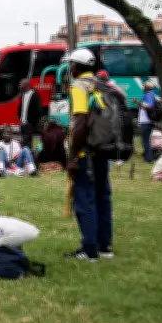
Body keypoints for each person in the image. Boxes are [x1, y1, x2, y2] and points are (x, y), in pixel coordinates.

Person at [66, 48, 113, 262]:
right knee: (103, 198)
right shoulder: (103, 85)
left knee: (85, 200)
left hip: (86, 153)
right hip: (103, 150)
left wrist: (73, 156)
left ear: (75, 67)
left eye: (71, 65)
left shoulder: (79, 86)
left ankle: (89, 249)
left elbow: (80, 123)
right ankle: (105, 247)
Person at [136, 81, 158, 163]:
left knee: (145, 140)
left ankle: (148, 158)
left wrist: (139, 103)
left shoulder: (148, 95)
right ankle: (149, 157)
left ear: (147, 87)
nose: (143, 88)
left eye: (144, 86)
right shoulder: (153, 94)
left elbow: (149, 105)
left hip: (145, 122)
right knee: (146, 140)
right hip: (149, 121)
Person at [17, 80, 42, 149]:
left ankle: (38, 154)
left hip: (33, 124)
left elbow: (39, 110)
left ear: (26, 85)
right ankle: (28, 154)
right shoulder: (23, 95)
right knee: (26, 144)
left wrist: (33, 121)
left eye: (21, 84)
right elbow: (21, 107)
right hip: (24, 124)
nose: (19, 86)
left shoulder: (35, 95)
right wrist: (19, 116)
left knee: (37, 144)